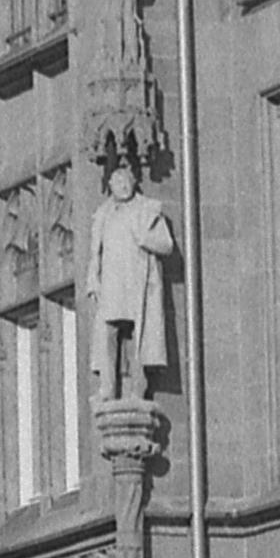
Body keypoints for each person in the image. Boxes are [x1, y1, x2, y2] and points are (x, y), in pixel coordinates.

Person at [85, 159, 177, 404]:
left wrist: (145, 238)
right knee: (107, 330)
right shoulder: (103, 213)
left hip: (137, 281)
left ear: (134, 183)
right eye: (118, 182)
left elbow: (166, 245)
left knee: (141, 331)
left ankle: (139, 387)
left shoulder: (147, 209)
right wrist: (92, 280)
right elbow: (95, 252)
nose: (123, 186)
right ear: (110, 185)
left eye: (126, 181)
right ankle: (107, 387)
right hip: (112, 282)